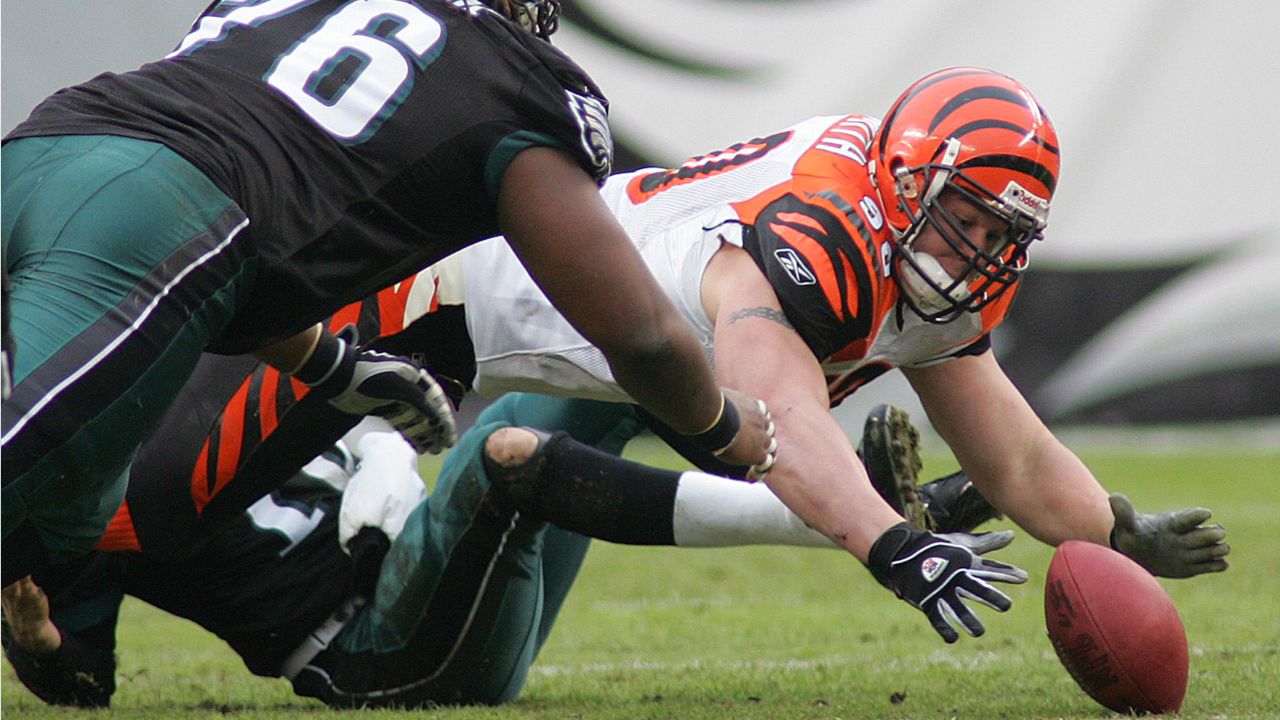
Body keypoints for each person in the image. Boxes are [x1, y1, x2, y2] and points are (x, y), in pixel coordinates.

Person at [0, 0, 775, 586]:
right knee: (23, 471)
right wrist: (724, 429)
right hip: (158, 214)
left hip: (42, 151)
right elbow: (638, 333)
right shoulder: (507, 78)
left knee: (58, 522)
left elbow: (233, 257)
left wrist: (336, 368)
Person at [2, 389, 910, 709]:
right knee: (501, 454)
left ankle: (840, 487)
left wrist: (384, 448)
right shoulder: (62, 480)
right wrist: (36, 641)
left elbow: (368, 387)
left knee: (609, 371)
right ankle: (857, 522)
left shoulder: (206, 332)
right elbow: (87, 687)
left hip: (425, 569)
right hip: (374, 652)